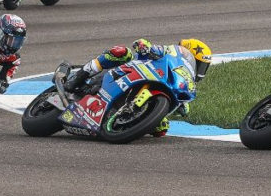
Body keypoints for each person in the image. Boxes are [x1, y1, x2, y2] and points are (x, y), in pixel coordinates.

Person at [63, 38, 213, 137]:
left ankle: (122, 120)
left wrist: (180, 106)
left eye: (202, 67)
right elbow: (142, 44)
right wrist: (144, 46)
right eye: (200, 64)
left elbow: (183, 106)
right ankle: (79, 77)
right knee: (121, 52)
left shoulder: (182, 79)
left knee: (162, 129)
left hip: (149, 90)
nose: (200, 70)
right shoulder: (168, 52)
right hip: (129, 71)